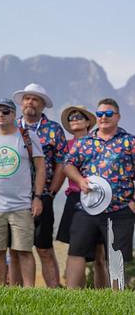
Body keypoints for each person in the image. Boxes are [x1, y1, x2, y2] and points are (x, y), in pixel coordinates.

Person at [0, 98, 46, 288]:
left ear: (14, 114)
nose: (0, 116)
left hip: (21, 205)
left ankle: (29, 290)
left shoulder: (27, 137)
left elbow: (40, 167)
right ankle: (0, 289)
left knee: (23, 250)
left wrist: (37, 197)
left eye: (5, 112)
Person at [64, 98, 135, 289]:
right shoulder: (85, 142)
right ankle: (71, 296)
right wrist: (79, 180)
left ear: (118, 116)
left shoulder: (130, 142)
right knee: (76, 251)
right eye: (100, 114)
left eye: (109, 113)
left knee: (116, 256)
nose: (104, 117)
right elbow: (68, 164)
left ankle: (116, 299)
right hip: (88, 207)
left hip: (120, 208)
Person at [12, 83, 67, 288]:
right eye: (27, 98)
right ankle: (17, 292)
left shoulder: (54, 130)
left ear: (42, 105)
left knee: (44, 247)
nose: (30, 102)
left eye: (35, 99)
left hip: (42, 196)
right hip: (14, 197)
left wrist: (51, 192)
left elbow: (62, 163)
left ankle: (53, 291)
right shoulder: (11, 128)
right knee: (16, 248)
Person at [56, 105, 106, 287]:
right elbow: (61, 174)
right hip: (75, 198)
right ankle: (78, 292)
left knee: (100, 253)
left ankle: (104, 294)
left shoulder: (99, 143)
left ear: (87, 122)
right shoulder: (66, 147)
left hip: (97, 199)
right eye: (71, 118)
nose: (74, 119)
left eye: (79, 116)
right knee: (76, 250)